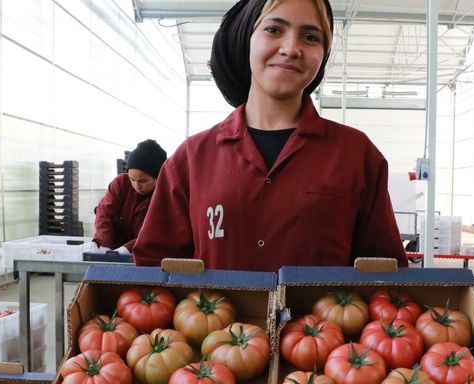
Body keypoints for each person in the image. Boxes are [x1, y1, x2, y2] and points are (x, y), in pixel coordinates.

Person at [133, 0, 407, 271]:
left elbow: (384, 273)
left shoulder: (356, 155)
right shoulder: (192, 158)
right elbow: (155, 269)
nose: (291, 49)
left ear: (323, 54)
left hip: (328, 306)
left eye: (310, 37)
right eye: (274, 30)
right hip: (213, 305)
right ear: (246, 39)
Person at [93, 139, 167, 253]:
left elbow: (155, 232)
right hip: (113, 250)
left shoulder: (166, 196)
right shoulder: (121, 183)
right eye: (132, 179)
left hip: (147, 255)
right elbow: (104, 214)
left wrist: (125, 250)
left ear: (158, 177)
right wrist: (104, 245)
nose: (137, 186)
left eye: (143, 181)